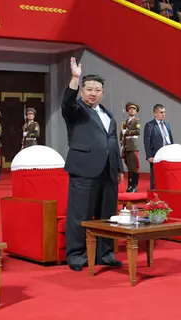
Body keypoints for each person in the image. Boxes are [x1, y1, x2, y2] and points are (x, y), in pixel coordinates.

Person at [62, 57, 123, 272]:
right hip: (84, 169)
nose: (93, 93)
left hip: (108, 171)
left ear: (103, 92)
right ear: (82, 91)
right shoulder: (76, 110)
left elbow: (113, 141)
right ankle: (77, 255)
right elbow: (67, 103)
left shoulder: (108, 114)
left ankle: (104, 253)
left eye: (98, 89)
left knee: (107, 214)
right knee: (81, 214)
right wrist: (75, 78)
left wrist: (119, 168)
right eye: (88, 89)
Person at [143, 104, 173, 190]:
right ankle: (154, 196)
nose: (163, 114)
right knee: (155, 177)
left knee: (166, 176)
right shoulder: (150, 125)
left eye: (164, 112)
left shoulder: (167, 124)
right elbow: (147, 141)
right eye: (161, 112)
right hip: (156, 155)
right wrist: (149, 156)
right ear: (155, 114)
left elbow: (170, 139)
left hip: (167, 154)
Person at [120, 102, 141, 192]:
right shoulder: (125, 122)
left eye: (133, 109)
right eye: (130, 109)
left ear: (136, 111)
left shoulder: (136, 121)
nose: (131, 110)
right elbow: (121, 133)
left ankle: (134, 186)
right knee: (129, 167)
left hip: (133, 146)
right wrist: (121, 144)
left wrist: (127, 132)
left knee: (134, 166)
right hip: (126, 146)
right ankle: (130, 186)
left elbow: (138, 131)